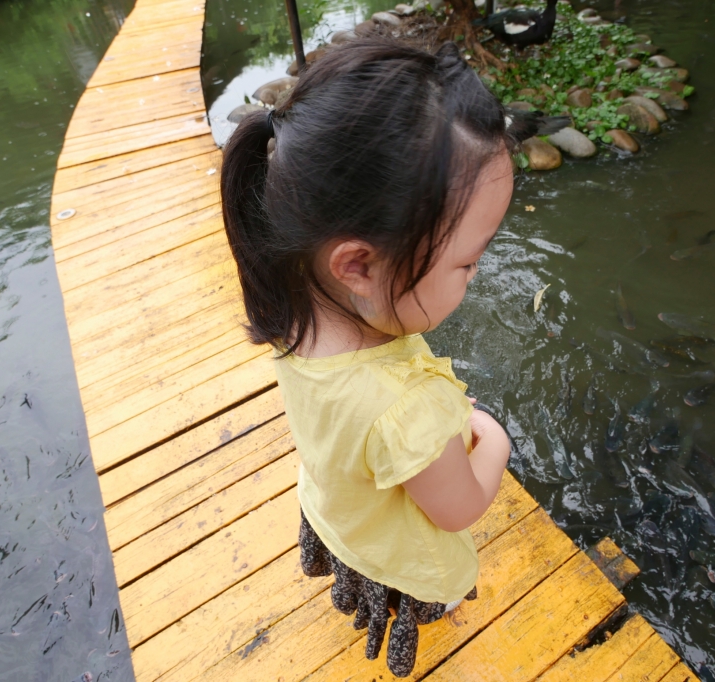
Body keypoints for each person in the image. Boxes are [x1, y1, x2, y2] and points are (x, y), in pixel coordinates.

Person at [220, 37, 513, 677]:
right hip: (400, 551)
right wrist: (494, 439)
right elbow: (459, 507)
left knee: (362, 572)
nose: (478, 274)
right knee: (405, 594)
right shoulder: (407, 409)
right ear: (356, 264)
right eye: (468, 260)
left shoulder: (290, 306)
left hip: (339, 509)